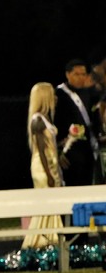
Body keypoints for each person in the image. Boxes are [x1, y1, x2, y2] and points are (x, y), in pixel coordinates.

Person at [54, 59, 100, 187]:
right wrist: (58, 151)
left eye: (83, 74)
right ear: (68, 75)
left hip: (88, 149)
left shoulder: (89, 93)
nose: (81, 78)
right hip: (69, 151)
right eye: (76, 74)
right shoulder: (59, 95)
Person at [29, 83, 63, 189]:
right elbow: (41, 150)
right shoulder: (38, 120)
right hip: (43, 167)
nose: (55, 98)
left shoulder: (45, 118)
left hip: (51, 164)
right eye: (52, 95)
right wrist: (48, 175)